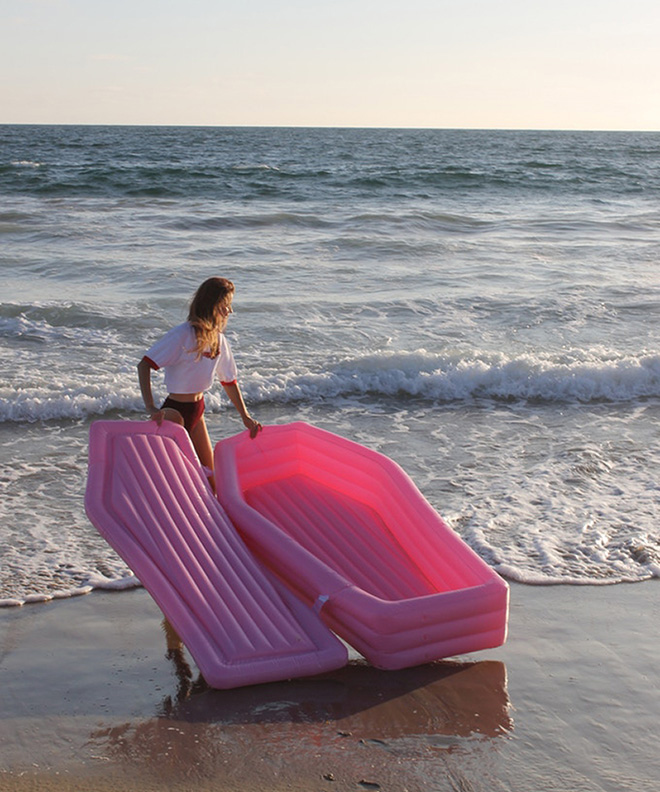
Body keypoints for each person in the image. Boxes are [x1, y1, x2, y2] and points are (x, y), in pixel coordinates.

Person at [137, 276, 262, 491]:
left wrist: (245, 417)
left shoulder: (218, 339)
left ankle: (215, 521)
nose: (229, 311)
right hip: (174, 412)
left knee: (211, 479)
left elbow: (229, 382)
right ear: (212, 305)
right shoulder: (182, 335)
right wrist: (150, 406)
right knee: (176, 478)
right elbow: (145, 365)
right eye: (226, 305)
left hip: (197, 410)